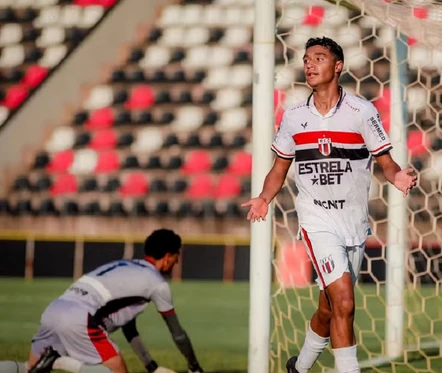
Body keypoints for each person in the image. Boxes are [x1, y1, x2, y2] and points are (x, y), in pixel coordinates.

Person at [241, 37, 417, 373]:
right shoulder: (293, 117)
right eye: (306, 59)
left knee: (329, 308)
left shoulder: (362, 112)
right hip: (316, 221)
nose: (309, 64)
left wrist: (397, 178)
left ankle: (299, 368)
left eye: (319, 58)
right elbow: (279, 169)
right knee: (346, 302)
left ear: (338, 66)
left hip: (353, 224)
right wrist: (264, 198)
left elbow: (386, 162)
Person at [0, 229, 203, 373]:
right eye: (177, 256)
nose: (177, 261)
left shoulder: (124, 265)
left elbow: (128, 328)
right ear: (167, 256)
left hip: (55, 309)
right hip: (81, 319)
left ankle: (50, 361)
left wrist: (151, 366)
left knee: (29, 369)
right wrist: (194, 366)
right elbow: (178, 334)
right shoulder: (157, 284)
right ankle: (59, 363)